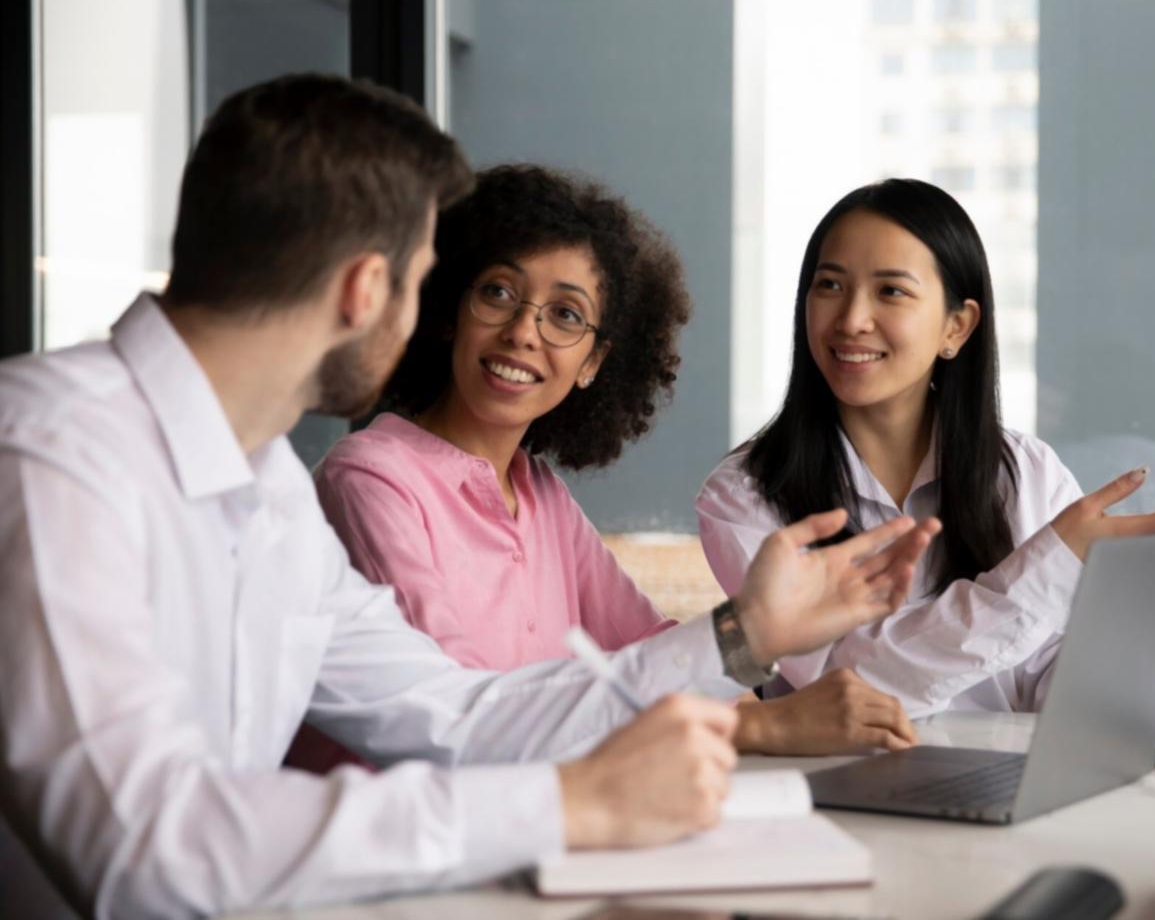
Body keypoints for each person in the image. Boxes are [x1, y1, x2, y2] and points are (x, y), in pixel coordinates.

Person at [0, 75, 937, 919]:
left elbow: (455, 713)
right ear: (371, 288)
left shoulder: (268, 488)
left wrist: (745, 634)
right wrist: (571, 805)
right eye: (429, 283)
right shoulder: (49, 454)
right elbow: (140, 845)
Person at [285, 165, 916, 775]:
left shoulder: (540, 494)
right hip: (404, 849)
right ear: (451, 311)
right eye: (499, 293)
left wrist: (769, 692)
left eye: (565, 314)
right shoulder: (370, 478)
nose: (523, 332)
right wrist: (761, 722)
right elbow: (468, 713)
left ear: (593, 362)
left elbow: (646, 643)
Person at [696, 178, 1155, 718]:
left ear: (957, 326)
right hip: (836, 792)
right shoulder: (746, 493)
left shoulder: (1026, 472)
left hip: (1004, 788)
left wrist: (1144, 626)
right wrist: (1045, 571)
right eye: (830, 285)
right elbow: (855, 686)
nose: (852, 319)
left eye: (891, 291)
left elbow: (1057, 700)